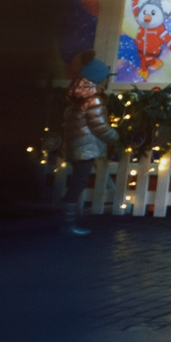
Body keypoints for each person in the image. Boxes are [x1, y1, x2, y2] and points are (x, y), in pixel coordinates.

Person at [57, 56, 113, 234]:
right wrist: (114, 136)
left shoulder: (77, 98)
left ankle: (66, 218)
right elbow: (99, 125)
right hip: (85, 147)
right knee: (79, 182)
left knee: (77, 180)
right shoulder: (93, 100)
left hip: (76, 145)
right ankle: (67, 222)